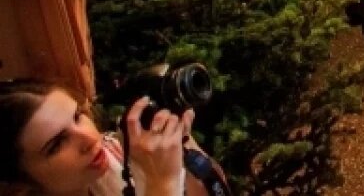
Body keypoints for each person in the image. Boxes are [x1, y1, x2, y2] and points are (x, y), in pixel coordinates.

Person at [0, 79, 217, 196]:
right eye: (56, 144)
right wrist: (161, 185)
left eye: (77, 117)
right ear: (21, 189)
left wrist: (181, 146)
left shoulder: (112, 154)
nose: (88, 138)